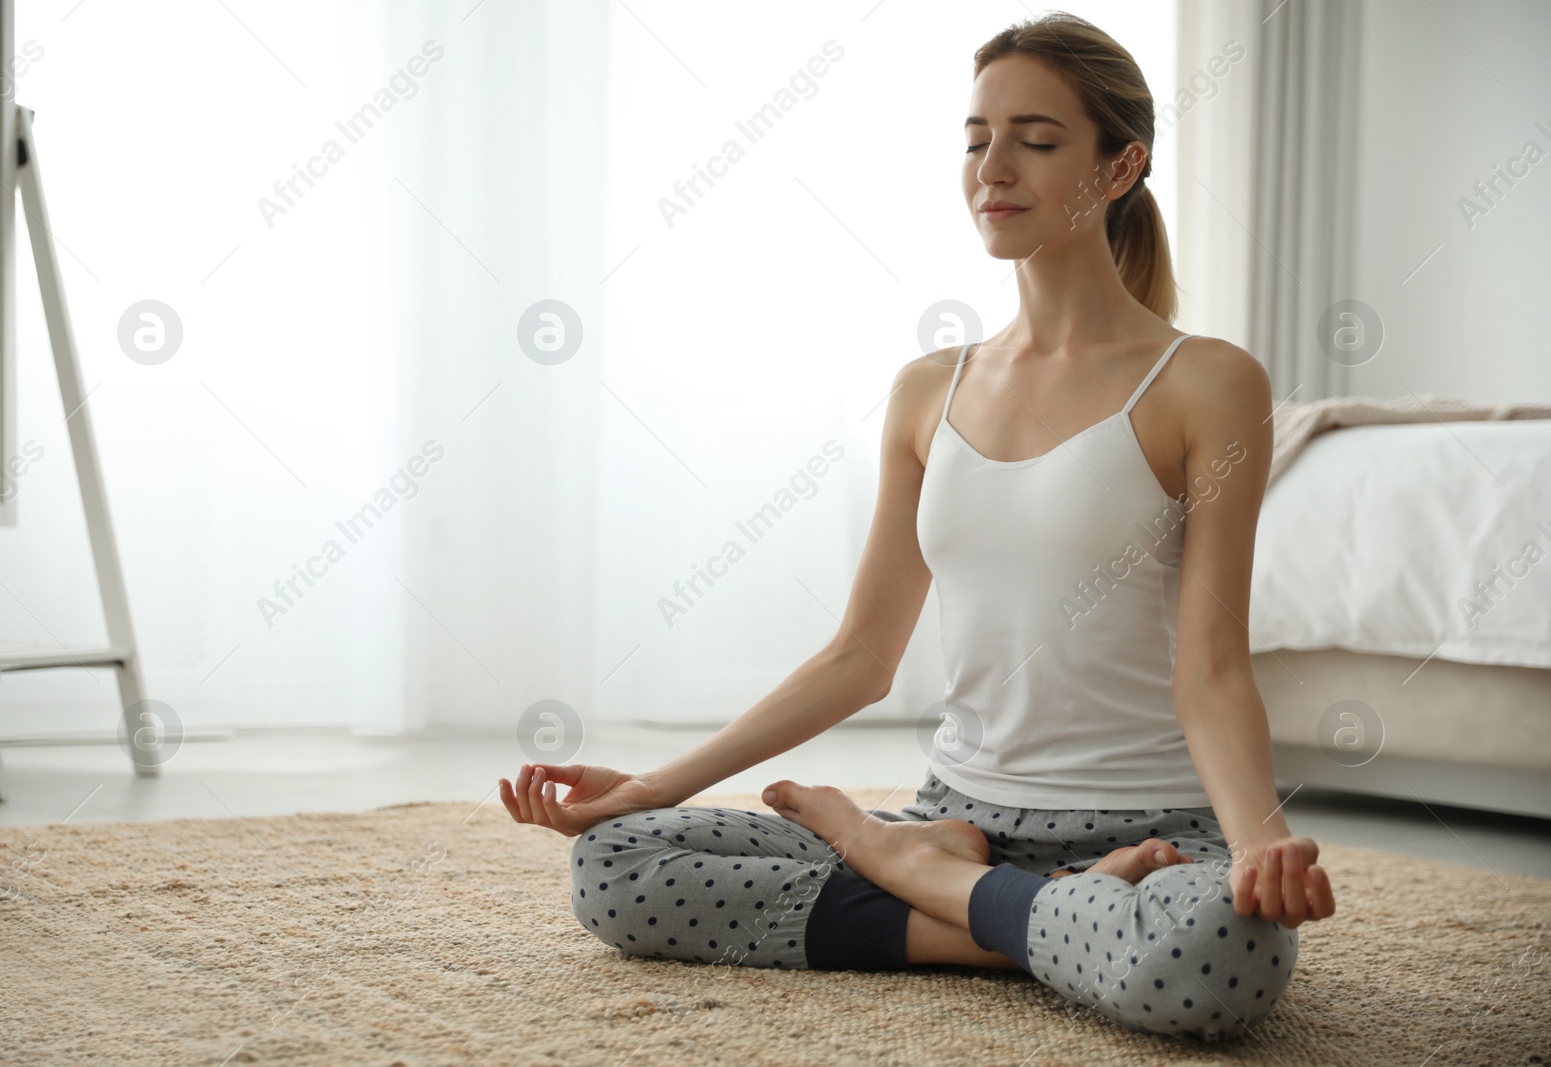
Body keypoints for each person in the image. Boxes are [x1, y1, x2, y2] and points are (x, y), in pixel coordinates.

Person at [499, 11, 1335, 1041]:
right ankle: (1005, 906)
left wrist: (1257, 844)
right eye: (977, 137)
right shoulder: (927, 388)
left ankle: (919, 879)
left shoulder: (1205, 381)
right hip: (962, 813)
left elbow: (1210, 667)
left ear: (1120, 166)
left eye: (1036, 139)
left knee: (1220, 954)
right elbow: (859, 653)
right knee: (617, 865)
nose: (994, 166)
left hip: (1153, 825)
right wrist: (651, 780)